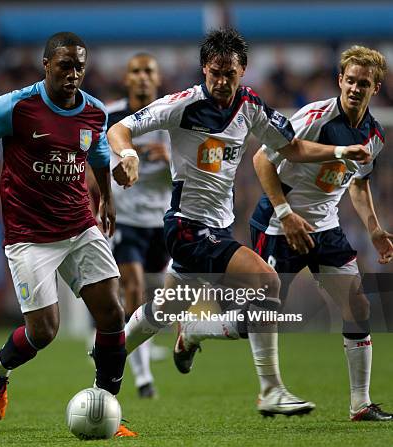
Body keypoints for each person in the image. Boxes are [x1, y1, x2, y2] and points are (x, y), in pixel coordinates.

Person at [107, 28, 371, 417]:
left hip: (218, 226)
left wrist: (338, 150)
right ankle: (270, 390)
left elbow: (292, 148)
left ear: (242, 70)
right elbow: (120, 128)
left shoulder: (250, 107)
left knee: (164, 310)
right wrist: (127, 153)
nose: (221, 81)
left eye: (230, 73)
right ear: (204, 69)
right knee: (266, 281)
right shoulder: (183, 105)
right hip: (187, 227)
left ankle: (105, 355)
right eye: (215, 72)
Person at [0, 32, 135, 437]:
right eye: (65, 66)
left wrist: (106, 197)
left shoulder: (94, 111)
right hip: (29, 234)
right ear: (46, 65)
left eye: (79, 67)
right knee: (44, 331)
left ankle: (107, 407)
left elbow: (100, 154)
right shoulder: (15, 107)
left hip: (79, 224)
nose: (73, 74)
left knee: (112, 314)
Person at [248, 45, 392, 421]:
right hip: (280, 224)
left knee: (357, 305)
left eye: (365, 83)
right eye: (350, 81)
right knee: (261, 315)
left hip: (326, 227)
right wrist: (286, 213)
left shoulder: (374, 136)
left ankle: (360, 404)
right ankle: (195, 329)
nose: (356, 89)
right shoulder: (313, 117)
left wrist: (374, 228)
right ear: (339, 81)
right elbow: (263, 158)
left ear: (376, 88)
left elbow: (358, 183)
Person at [106, 53, 171, 398]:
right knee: (132, 289)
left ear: (157, 78)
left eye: (149, 70)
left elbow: (195, 168)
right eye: (136, 71)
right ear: (127, 78)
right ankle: (143, 379)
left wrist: (171, 159)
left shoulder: (173, 115)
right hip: (126, 220)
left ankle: (115, 345)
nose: (143, 77)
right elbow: (93, 162)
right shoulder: (110, 116)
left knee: (158, 301)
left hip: (161, 221)